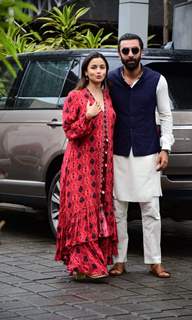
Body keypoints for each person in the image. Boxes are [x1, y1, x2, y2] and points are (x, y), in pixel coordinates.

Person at [108, 33, 174, 278]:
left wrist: (165, 148)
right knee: (117, 210)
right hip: (118, 152)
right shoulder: (111, 80)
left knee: (151, 209)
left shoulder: (157, 80)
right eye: (125, 51)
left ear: (142, 52)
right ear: (119, 54)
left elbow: (166, 116)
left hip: (148, 151)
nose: (130, 55)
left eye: (134, 50)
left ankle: (155, 261)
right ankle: (119, 260)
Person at [55, 52, 118, 282]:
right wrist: (88, 116)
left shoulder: (108, 96)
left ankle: (89, 264)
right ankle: (86, 264)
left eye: (102, 67)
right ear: (85, 71)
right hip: (80, 164)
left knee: (99, 209)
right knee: (83, 211)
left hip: (102, 166)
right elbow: (70, 131)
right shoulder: (76, 96)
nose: (98, 71)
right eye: (94, 67)